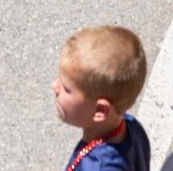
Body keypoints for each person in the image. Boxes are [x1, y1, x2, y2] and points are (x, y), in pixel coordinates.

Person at [52, 26, 150, 171]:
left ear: (100, 110)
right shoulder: (132, 127)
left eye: (67, 89)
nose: (54, 86)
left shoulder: (99, 166)